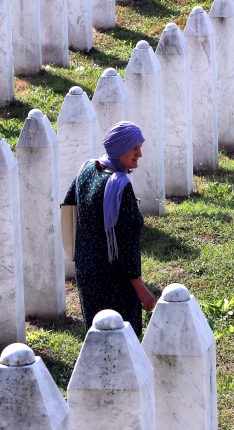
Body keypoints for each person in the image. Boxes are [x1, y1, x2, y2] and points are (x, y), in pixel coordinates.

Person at [62, 121, 156, 336]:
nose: (140, 154)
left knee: (96, 336)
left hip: (87, 273)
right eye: (135, 148)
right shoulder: (120, 186)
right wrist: (141, 290)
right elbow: (126, 245)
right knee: (122, 340)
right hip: (114, 281)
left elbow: (68, 207)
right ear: (121, 148)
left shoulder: (87, 169)